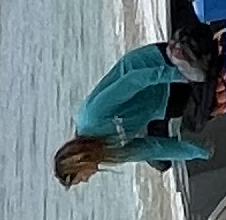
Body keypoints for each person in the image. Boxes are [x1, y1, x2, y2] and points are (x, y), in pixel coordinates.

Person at [54, 39, 214, 182]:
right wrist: (200, 152)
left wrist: (179, 76)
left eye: (80, 178)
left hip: (154, 65)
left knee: (205, 81)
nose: (86, 180)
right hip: (159, 105)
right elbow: (153, 148)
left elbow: (133, 80)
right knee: (203, 110)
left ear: (78, 161)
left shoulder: (92, 117)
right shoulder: (110, 154)